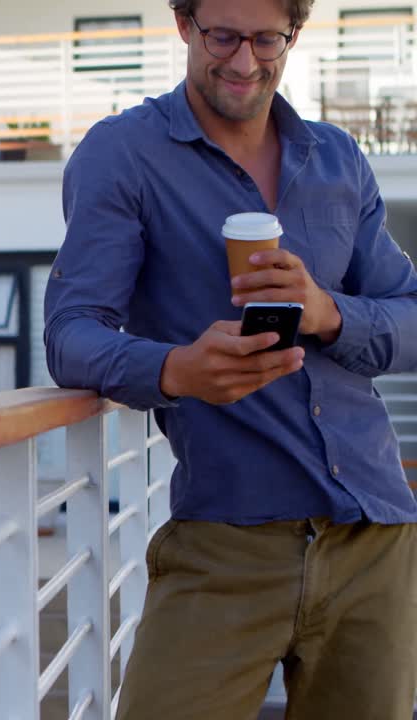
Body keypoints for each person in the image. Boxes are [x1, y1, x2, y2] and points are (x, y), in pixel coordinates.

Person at [44, 0, 417, 718]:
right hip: (223, 536)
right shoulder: (123, 153)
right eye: (222, 36)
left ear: (293, 35)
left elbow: (410, 314)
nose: (245, 62)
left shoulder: (338, 157)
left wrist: (329, 312)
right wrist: (174, 370)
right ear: (184, 24)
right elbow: (71, 332)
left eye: (266, 39)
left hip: (373, 534)